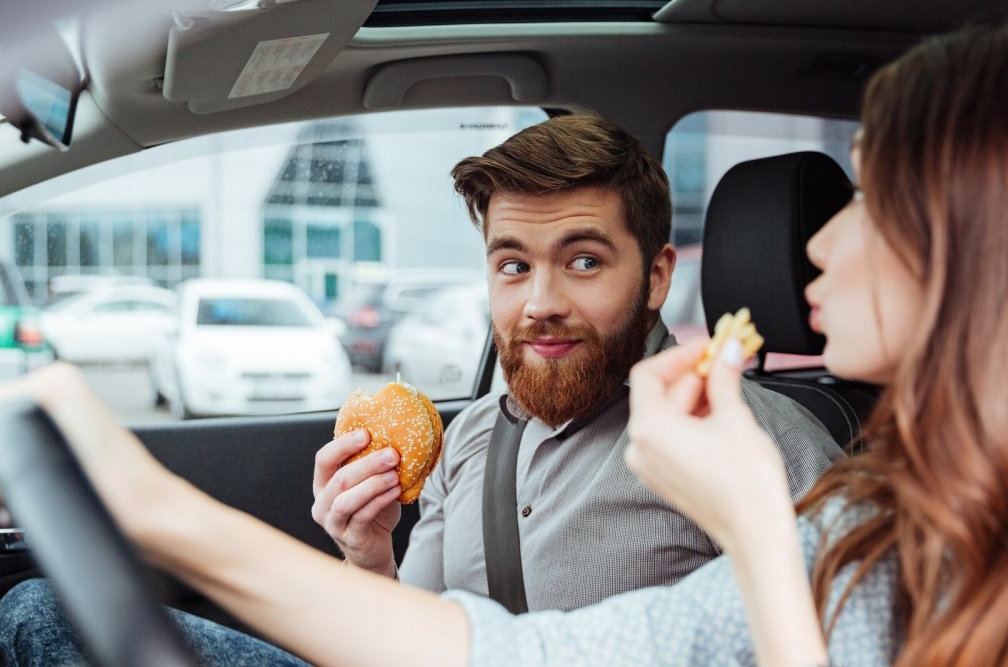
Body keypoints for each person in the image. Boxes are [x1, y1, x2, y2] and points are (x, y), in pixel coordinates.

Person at [4, 8, 1008, 667]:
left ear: (992, 248)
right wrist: (190, 521)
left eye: (872, 202)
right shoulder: (885, 524)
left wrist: (751, 525)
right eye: (510, 265)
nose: (821, 245)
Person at [0, 114, 841, 665]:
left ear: (657, 277)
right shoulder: (467, 435)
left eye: (583, 261)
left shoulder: (754, 443)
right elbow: (403, 634)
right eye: (513, 264)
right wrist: (368, 553)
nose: (540, 301)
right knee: (42, 611)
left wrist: (166, 515)